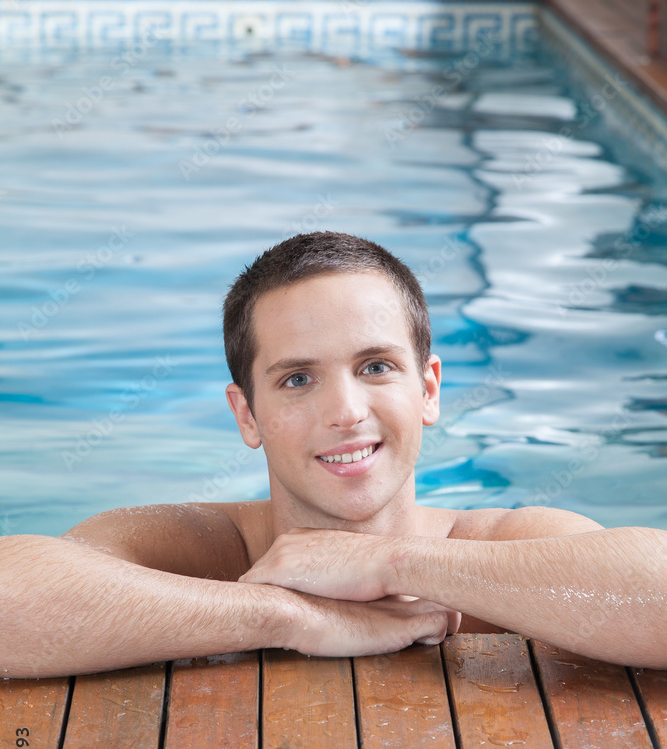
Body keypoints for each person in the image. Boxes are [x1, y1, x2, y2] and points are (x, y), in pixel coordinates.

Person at [1, 231, 665, 679]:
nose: (346, 411)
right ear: (247, 414)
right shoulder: (201, 551)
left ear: (428, 389)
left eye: (375, 366)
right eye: (297, 379)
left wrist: (387, 562)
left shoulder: (504, 543)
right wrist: (287, 615)